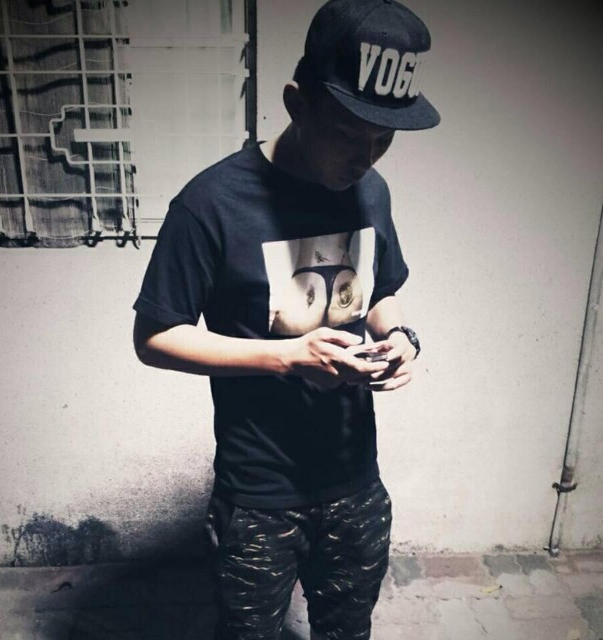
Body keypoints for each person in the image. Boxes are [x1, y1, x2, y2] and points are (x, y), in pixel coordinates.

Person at [133, 0, 440, 637]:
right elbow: (155, 336)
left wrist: (399, 337)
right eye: (349, 134)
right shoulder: (211, 203)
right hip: (259, 492)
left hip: (355, 478)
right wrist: (286, 357)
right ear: (297, 104)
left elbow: (381, 290)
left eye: (383, 140)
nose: (367, 157)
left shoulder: (371, 192)